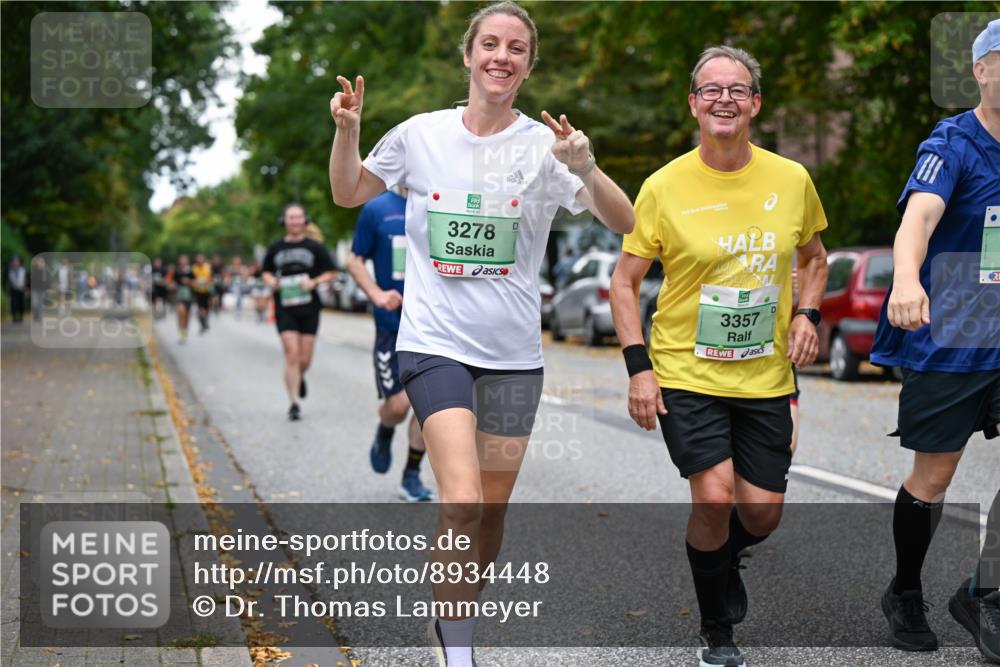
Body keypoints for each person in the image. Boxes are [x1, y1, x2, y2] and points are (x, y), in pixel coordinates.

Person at [329, 3, 634, 664]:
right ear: (469, 56)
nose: (501, 56)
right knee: (461, 499)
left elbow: (625, 219)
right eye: (489, 43)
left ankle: (454, 619)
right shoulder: (420, 135)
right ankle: (458, 650)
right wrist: (348, 131)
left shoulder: (544, 148)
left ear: (528, 64)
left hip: (514, 358)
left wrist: (584, 165)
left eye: (516, 47)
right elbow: (349, 190)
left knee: (489, 514)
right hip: (434, 344)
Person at [609, 45, 829, 667]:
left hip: (763, 374)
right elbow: (624, 283)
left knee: (760, 514)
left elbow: (815, 258)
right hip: (686, 369)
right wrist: (639, 367)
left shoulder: (790, 179)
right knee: (713, 494)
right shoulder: (664, 186)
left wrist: (808, 315)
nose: (724, 99)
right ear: (693, 104)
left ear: (755, 104)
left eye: (737, 89)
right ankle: (717, 630)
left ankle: (722, 557)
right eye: (711, 89)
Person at [870, 20, 999, 662]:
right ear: (979, 70)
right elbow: (917, 217)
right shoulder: (953, 143)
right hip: (953, 334)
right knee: (935, 474)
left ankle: (985, 592)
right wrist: (905, 278)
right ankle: (907, 591)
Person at [348, 187, 433, 502]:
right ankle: (385, 429)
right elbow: (355, 260)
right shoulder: (378, 208)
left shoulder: (441, 199)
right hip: (392, 326)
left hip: (435, 328)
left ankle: (411, 475)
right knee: (398, 405)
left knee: (429, 405)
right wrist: (376, 294)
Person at [262, 203, 336, 421]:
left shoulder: (315, 247)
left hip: (309, 307)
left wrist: (313, 282)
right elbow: (265, 272)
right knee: (291, 354)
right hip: (285, 307)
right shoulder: (275, 248)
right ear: (283, 221)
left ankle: (300, 375)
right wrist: (272, 282)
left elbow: (331, 272)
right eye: (290, 217)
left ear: (305, 220)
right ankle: (294, 402)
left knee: (305, 358)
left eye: (298, 217)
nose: (294, 221)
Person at [174, 255, 195, 344]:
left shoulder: (191, 271)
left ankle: (185, 330)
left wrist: (189, 281)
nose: (183, 262)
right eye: (181, 260)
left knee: (187, 315)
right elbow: (172, 281)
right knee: (181, 312)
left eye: (184, 260)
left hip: (189, 295)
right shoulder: (177, 271)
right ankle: (180, 331)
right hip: (180, 295)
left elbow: (195, 282)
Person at [192, 254, 212, 334]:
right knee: (200, 308)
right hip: (198, 291)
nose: (200, 261)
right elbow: (192, 279)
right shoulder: (194, 268)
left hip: (206, 290)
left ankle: (205, 320)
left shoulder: (208, 267)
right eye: (198, 259)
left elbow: (210, 277)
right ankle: (202, 324)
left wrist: (207, 281)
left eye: (201, 259)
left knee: (206, 307)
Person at [6, 256, 26, 323]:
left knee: (21, 303)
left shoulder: (22, 270)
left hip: (21, 289)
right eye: (14, 261)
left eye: (16, 261)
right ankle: (14, 317)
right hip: (13, 289)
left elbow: (26, 280)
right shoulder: (9, 270)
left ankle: (21, 316)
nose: (15, 263)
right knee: (13, 304)